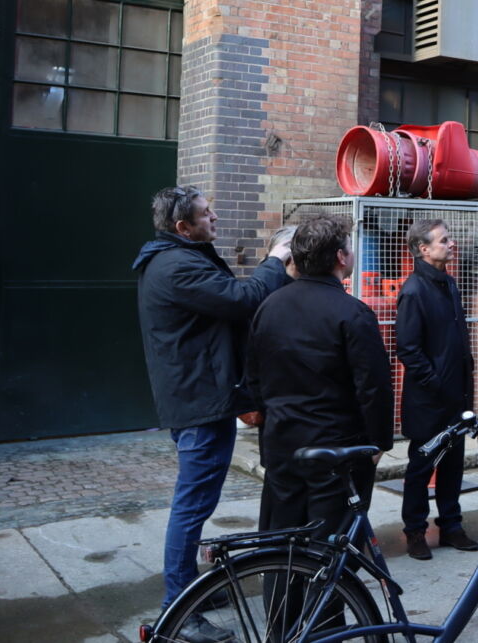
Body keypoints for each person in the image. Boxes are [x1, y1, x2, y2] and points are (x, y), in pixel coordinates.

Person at [134, 185, 290, 643]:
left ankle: (188, 593)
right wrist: (277, 258)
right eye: (206, 214)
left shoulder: (178, 257)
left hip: (200, 396)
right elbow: (243, 299)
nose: (215, 218)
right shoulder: (176, 265)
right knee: (192, 506)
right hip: (199, 402)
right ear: (183, 227)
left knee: (196, 504)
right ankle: (177, 612)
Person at [247, 213, 393, 539]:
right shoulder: (353, 314)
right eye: (350, 249)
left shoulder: (269, 307)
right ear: (341, 257)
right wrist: (379, 441)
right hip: (336, 451)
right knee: (330, 551)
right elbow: (374, 388)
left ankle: (282, 592)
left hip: (282, 443)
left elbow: (254, 375)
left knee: (280, 546)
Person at [397, 218, 478, 559]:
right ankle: (415, 531)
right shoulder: (414, 290)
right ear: (423, 248)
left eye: (449, 238)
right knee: (422, 464)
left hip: (455, 396)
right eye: (443, 240)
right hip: (429, 399)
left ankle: (451, 526)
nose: (451, 243)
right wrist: (436, 384)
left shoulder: (449, 284)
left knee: (453, 463)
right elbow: (408, 348)